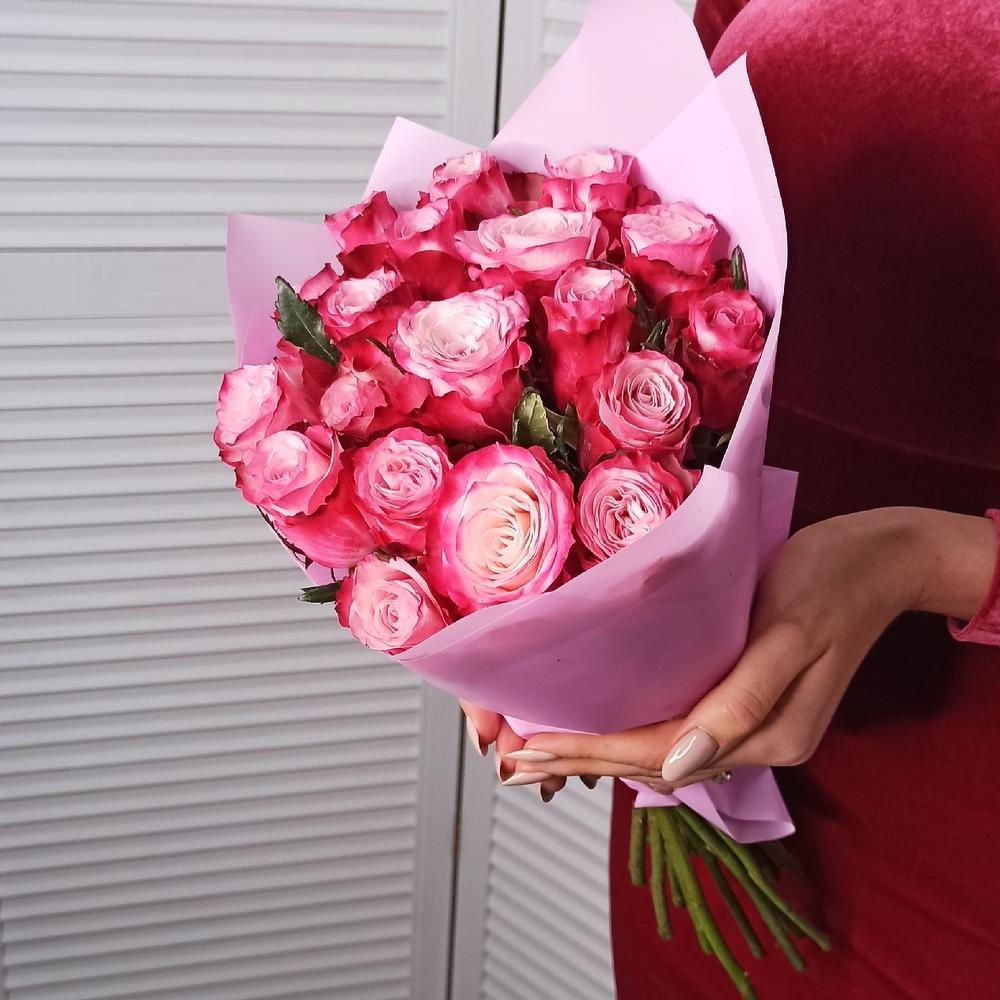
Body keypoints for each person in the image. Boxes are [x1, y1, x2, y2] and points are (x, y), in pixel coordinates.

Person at [464, 0, 1000, 994]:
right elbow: (666, 158)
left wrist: (911, 561)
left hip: (963, 796)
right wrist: (511, 566)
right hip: (701, 720)